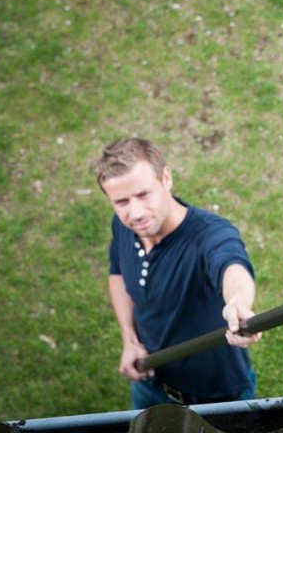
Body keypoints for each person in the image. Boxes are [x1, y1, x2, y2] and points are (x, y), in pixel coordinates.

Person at [94, 137, 261, 409]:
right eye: (121, 201)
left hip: (217, 396)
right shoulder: (124, 225)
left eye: (143, 194)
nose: (135, 213)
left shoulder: (208, 234)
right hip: (149, 383)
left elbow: (231, 263)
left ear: (166, 178)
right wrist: (130, 340)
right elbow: (118, 274)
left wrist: (238, 302)